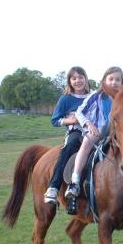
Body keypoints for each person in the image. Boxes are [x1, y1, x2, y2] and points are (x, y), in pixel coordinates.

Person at [65, 66, 123, 198]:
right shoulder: (96, 96)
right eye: (111, 79)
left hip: (119, 132)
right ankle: (75, 181)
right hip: (99, 130)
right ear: (104, 81)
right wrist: (88, 123)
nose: (114, 82)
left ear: (122, 83)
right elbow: (79, 112)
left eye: (118, 80)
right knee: (86, 143)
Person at [44, 66, 91, 204]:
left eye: (80, 77)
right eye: (74, 78)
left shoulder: (93, 96)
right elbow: (54, 120)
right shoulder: (65, 99)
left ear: (85, 79)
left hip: (93, 131)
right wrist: (71, 120)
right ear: (70, 81)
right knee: (70, 147)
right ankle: (54, 187)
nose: (78, 81)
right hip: (75, 131)